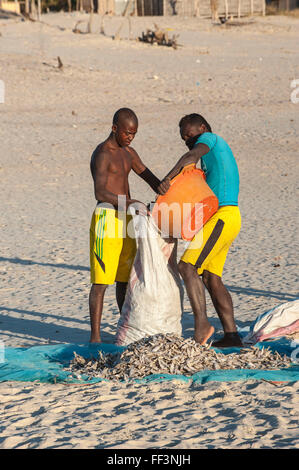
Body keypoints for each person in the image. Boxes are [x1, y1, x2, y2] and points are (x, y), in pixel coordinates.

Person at [158, 113, 243, 347]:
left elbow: (189, 156)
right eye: (183, 137)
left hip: (223, 217)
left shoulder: (210, 139)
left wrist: (165, 181)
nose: (188, 140)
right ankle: (232, 335)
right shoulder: (211, 157)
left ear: (202, 128)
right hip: (226, 218)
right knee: (210, 276)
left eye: (190, 134)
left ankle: (202, 324)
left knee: (187, 266)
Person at [89, 108, 161, 343]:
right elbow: (99, 192)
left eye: (134, 134)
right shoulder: (103, 154)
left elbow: (151, 179)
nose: (130, 137)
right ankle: (95, 337)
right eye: (127, 133)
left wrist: (173, 185)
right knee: (101, 281)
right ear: (114, 128)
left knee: (124, 279)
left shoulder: (129, 153)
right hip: (107, 217)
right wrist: (130, 202)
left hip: (128, 219)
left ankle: (124, 329)